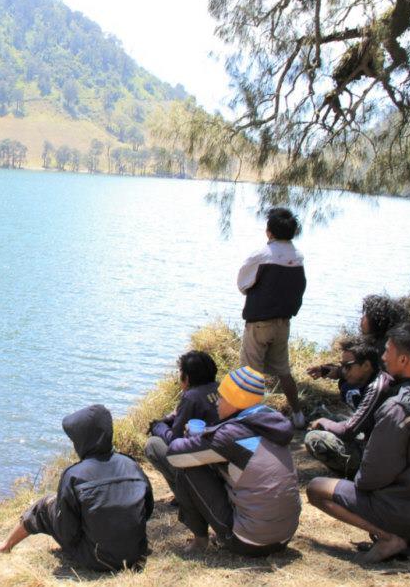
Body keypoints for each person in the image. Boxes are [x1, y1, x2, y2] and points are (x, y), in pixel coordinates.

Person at [306, 322, 410, 563]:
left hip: (402, 510)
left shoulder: (397, 408)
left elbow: (372, 476)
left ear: (403, 360)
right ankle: (409, 536)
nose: (382, 357)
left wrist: (360, 481)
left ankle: (388, 537)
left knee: (316, 488)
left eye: (387, 351)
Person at [0, 404, 154, 571]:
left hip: (96, 558)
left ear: (84, 442)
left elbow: (67, 532)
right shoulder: (132, 465)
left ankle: (4, 547)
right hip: (134, 554)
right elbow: (148, 508)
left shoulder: (74, 475)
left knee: (43, 506)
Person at [166, 366, 301, 556]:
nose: (217, 403)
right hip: (284, 536)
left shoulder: (231, 435)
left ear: (234, 402)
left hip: (250, 542)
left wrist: (190, 439)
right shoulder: (269, 422)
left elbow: (174, 455)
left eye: (221, 397)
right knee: (209, 460)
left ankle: (200, 540)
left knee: (188, 466)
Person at [237, 207, 307, 427]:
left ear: (269, 232)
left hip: (259, 323)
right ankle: (298, 415)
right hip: (283, 323)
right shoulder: (297, 257)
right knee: (283, 371)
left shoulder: (261, 255)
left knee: (249, 374)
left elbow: (243, 284)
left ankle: (251, 421)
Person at [303, 339, 395, 477]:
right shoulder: (369, 375)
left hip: (378, 453)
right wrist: (324, 370)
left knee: (314, 438)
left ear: (366, 365)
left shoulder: (376, 389)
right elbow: (341, 372)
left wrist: (322, 422)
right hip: (368, 433)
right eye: (342, 365)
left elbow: (348, 430)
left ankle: (354, 475)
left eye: (348, 366)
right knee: (329, 419)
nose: (344, 371)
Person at [144, 350, 220, 494]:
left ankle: (184, 495)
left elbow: (175, 441)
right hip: (217, 458)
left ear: (187, 377)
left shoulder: (192, 397)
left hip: (205, 466)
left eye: (181, 373)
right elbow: (181, 416)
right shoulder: (219, 388)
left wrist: (158, 427)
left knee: (153, 444)